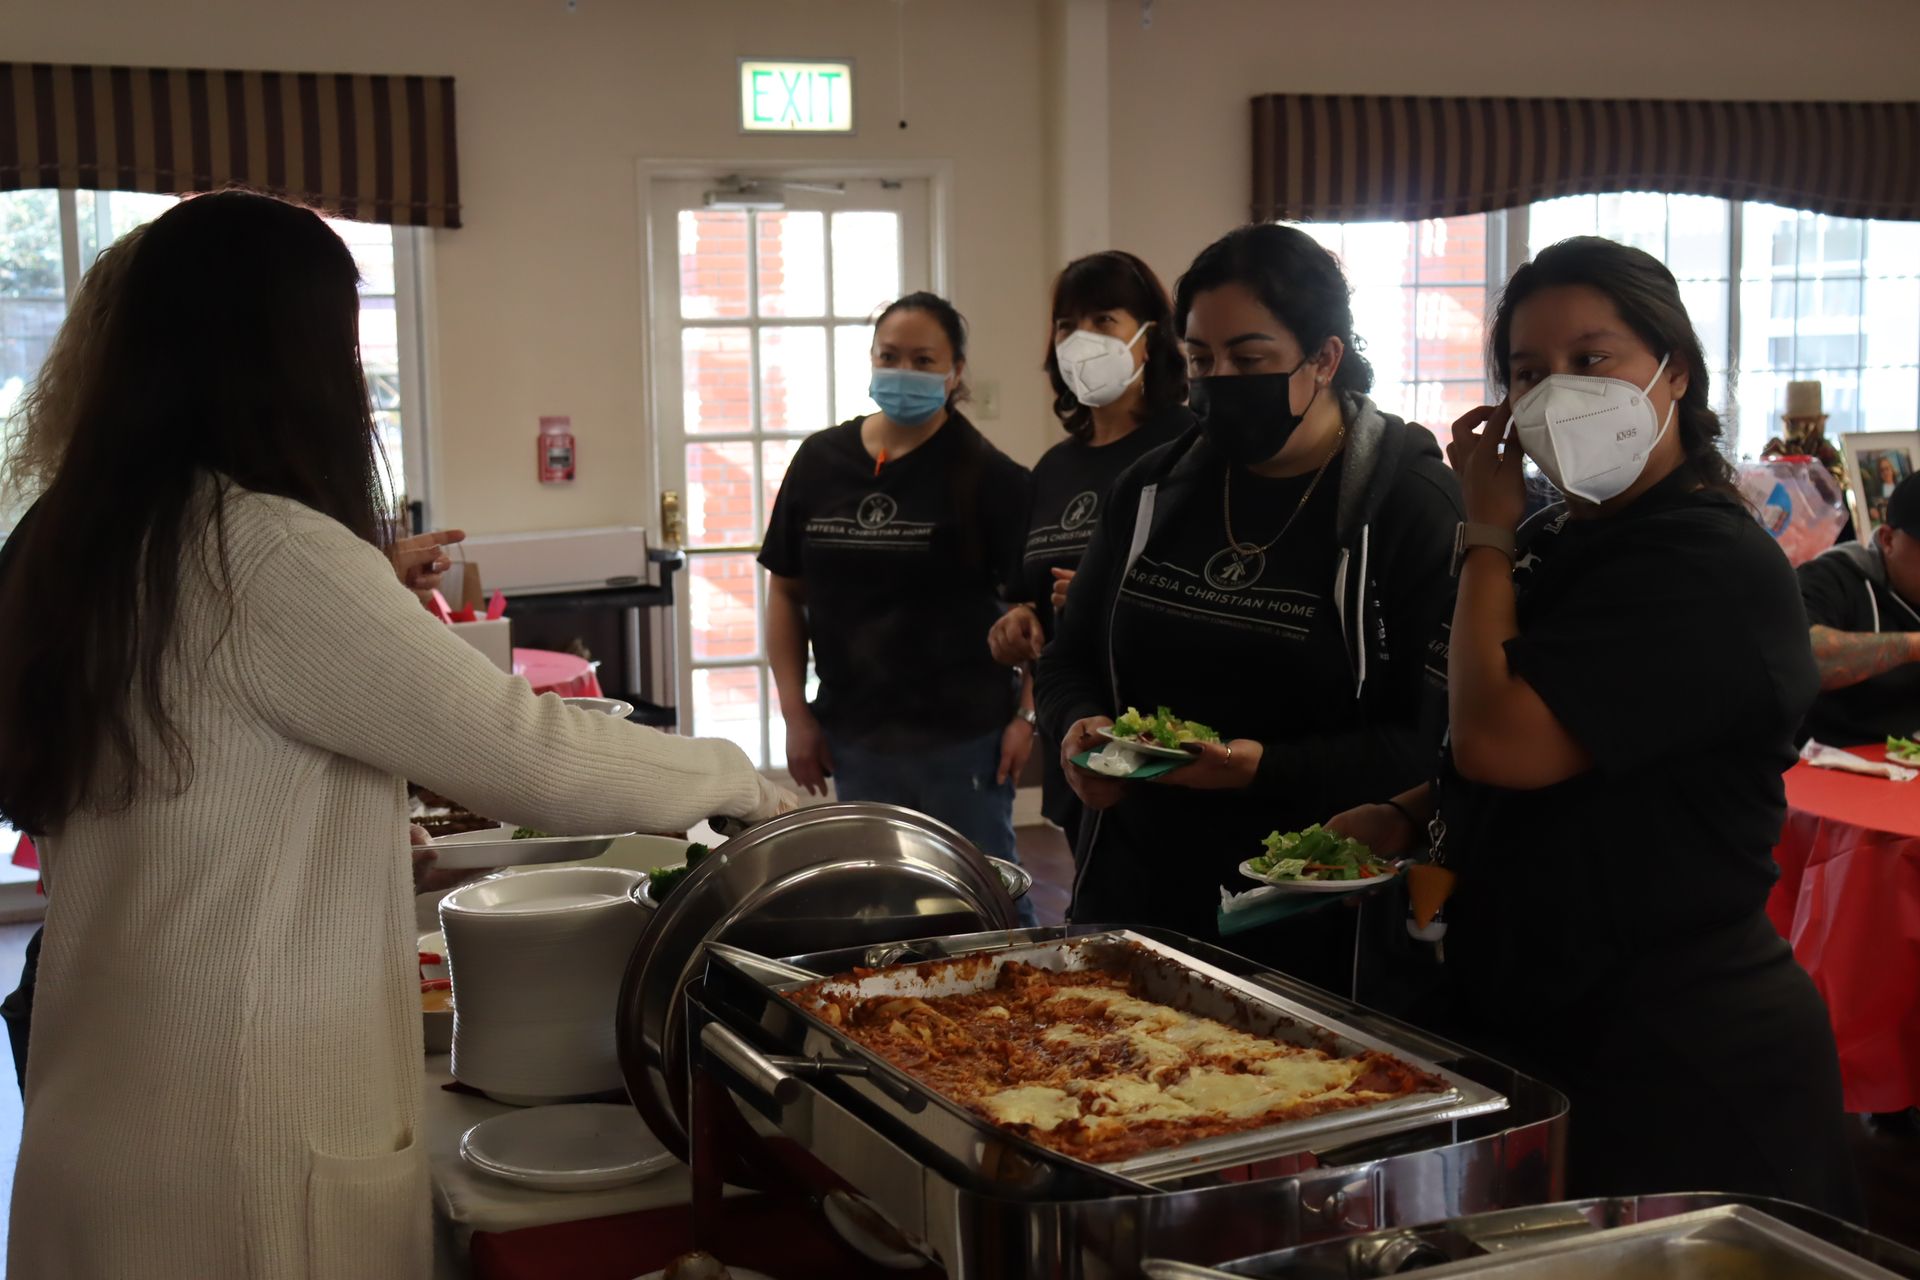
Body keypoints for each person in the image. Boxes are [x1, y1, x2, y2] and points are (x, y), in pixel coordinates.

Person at [0, 191, 790, 1278]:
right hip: (239, 1152)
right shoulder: (264, 548)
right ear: (287, 354)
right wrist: (741, 779)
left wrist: (350, 841)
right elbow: (531, 754)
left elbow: (188, 798)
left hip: (101, 1122)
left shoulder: (92, 537)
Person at [1327, 236, 1857, 1214]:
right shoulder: (1557, 537)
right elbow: (1496, 746)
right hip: (1538, 1020)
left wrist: (1481, 526)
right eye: (1528, 371)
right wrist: (1408, 812)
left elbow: (1506, 742)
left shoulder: (1705, 562)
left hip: (1676, 1048)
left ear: (1674, 370)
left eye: (1591, 358)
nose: (1556, 391)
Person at [1035, 224, 1462, 972]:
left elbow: (1434, 741)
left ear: (1324, 358)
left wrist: (1262, 767)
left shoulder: (1409, 504)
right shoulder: (1151, 490)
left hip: (1313, 910)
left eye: (1250, 358)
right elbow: (1070, 659)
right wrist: (1077, 730)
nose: (1220, 379)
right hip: (1139, 891)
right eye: (1201, 359)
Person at [761, 292, 1036, 912]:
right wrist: (794, 714)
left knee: (983, 896)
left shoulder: (991, 477)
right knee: (877, 901)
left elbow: (1035, 612)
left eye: (923, 359)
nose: (903, 372)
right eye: (890, 356)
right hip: (853, 734)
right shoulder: (820, 461)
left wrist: (1027, 716)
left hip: (963, 739)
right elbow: (786, 588)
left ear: (955, 371)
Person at [986, 251, 1192, 851]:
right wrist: (1017, 622)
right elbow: (1027, 596)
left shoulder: (1188, 447)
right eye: (1067, 325)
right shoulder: (1054, 467)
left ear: (1150, 338)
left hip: (1167, 741)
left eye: (1104, 320)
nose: (1082, 340)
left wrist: (1113, 598)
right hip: (1075, 731)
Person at [1798, 472, 1920, 746]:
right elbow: (1799, 657)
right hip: (1832, 765)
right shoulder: (1833, 577)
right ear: (1888, 540)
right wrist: (1912, 647)